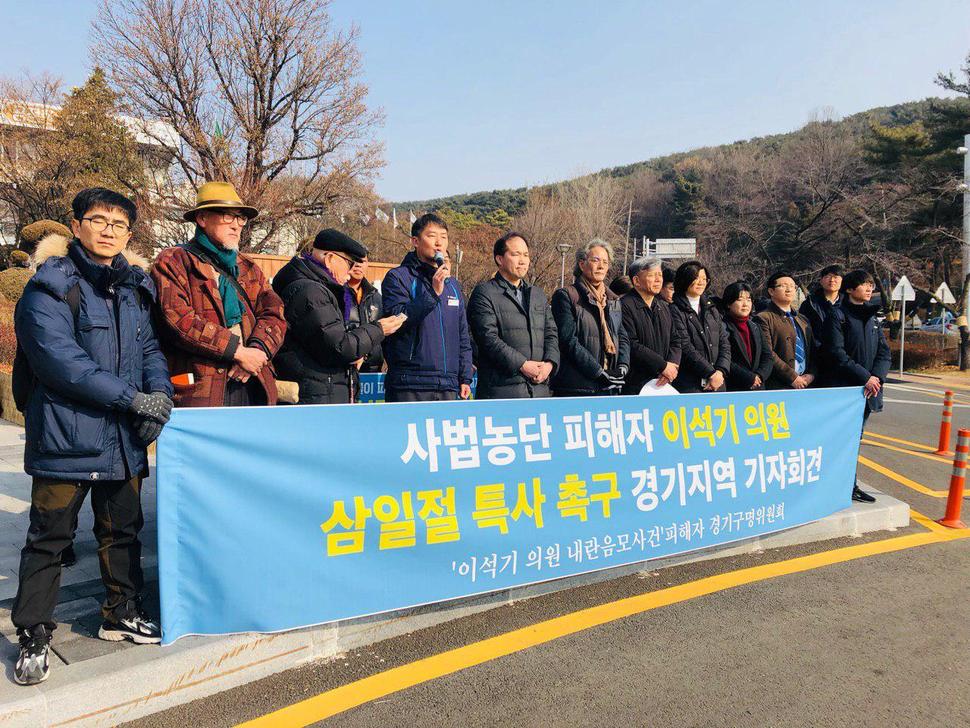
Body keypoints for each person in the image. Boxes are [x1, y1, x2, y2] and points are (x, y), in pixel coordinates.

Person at [11, 188, 173, 685]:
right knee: (50, 538)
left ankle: (121, 613)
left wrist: (159, 397)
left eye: (119, 223)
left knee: (121, 531)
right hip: (67, 436)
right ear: (76, 225)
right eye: (97, 219)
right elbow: (62, 363)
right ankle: (34, 633)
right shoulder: (50, 286)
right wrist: (132, 400)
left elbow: (150, 351)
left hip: (121, 439)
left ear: (130, 234)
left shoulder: (134, 287)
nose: (108, 230)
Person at [152, 182, 286, 407]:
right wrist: (237, 352)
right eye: (227, 216)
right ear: (202, 219)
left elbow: (275, 312)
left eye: (240, 218)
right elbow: (178, 319)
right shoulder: (174, 260)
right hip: (201, 389)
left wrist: (257, 349)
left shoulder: (248, 266)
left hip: (253, 382)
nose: (236, 225)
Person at [272, 230, 404, 404]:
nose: (350, 273)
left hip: (322, 390)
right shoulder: (310, 292)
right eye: (349, 264)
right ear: (330, 259)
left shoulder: (316, 287)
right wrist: (379, 329)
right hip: (315, 395)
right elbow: (338, 346)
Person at [381, 213, 473, 402]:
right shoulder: (398, 277)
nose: (439, 243)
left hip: (448, 384)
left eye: (444, 237)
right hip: (410, 383)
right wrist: (432, 293)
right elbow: (397, 320)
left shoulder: (452, 285)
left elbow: (462, 334)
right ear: (415, 241)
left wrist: (465, 376)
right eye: (432, 236)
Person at [821, 269, 891, 503]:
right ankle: (837, 486)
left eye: (871, 284)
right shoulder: (837, 315)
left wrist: (876, 378)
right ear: (849, 289)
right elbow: (837, 353)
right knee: (839, 440)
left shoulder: (872, 317)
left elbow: (884, 352)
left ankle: (848, 485)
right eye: (864, 284)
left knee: (855, 440)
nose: (870, 288)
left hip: (867, 391)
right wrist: (865, 377)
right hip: (844, 390)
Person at [468, 232, 559, 399]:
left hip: (539, 391)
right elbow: (488, 338)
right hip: (501, 392)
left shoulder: (537, 294)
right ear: (499, 259)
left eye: (526, 255)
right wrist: (522, 365)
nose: (522, 260)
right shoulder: (485, 293)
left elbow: (551, 333)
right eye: (516, 254)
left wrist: (549, 364)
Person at [551, 239, 630, 396]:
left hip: (610, 385)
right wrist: (597, 371)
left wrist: (623, 366)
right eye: (595, 260)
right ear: (582, 264)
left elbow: (622, 336)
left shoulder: (613, 300)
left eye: (605, 262)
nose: (601, 266)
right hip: (578, 387)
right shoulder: (567, 296)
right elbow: (568, 341)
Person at [620, 257, 682, 395]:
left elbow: (676, 340)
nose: (658, 279)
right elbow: (631, 343)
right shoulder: (624, 305)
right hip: (636, 383)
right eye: (652, 275)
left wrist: (671, 366)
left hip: (663, 382)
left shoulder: (664, 307)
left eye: (660, 275)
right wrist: (662, 366)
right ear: (636, 281)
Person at [669, 261, 730, 393]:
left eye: (704, 279)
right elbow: (684, 346)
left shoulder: (712, 309)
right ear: (684, 280)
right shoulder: (674, 310)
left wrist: (720, 371)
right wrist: (710, 373)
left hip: (718, 383)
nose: (701, 282)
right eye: (696, 278)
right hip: (690, 384)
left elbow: (724, 343)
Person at [755, 271, 817, 390]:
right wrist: (792, 377)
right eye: (783, 286)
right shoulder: (763, 318)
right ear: (771, 291)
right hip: (779, 385)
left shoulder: (802, 319)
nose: (789, 289)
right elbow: (768, 353)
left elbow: (813, 351)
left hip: (806, 384)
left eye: (792, 286)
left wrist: (811, 375)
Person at [721, 282, 773, 391]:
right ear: (728, 303)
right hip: (734, 387)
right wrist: (749, 378)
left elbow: (767, 356)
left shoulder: (755, 326)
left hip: (758, 387)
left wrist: (759, 376)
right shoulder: (721, 326)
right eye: (740, 300)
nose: (745, 304)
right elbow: (725, 358)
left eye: (749, 300)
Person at [346, 255, 385, 373]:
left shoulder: (377, 297)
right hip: (347, 366)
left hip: (374, 368)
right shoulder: (336, 294)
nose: (358, 265)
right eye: (354, 260)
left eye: (363, 261)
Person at [799, 264, 844, 350]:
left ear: (842, 281)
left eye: (836, 277)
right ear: (821, 281)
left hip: (845, 354)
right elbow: (803, 331)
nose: (832, 280)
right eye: (827, 277)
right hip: (818, 354)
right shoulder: (810, 304)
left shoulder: (847, 304)